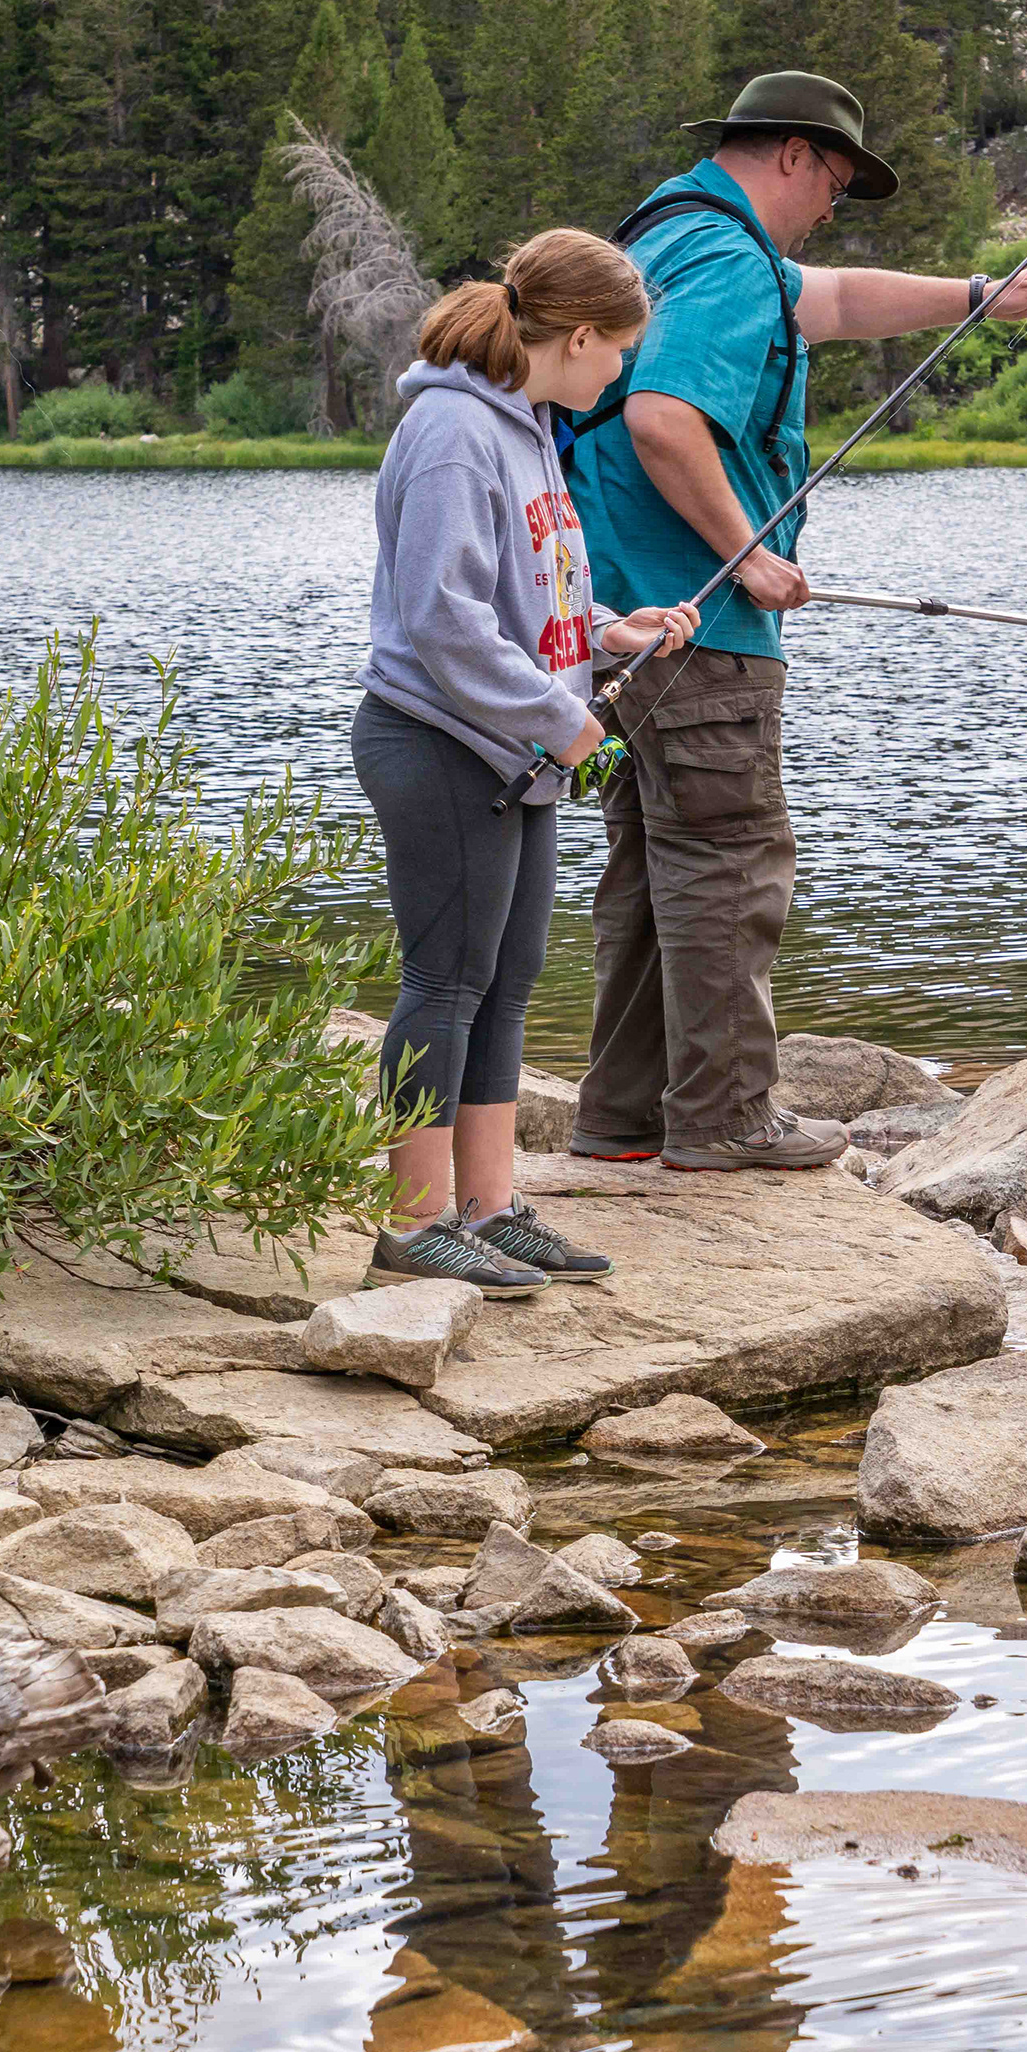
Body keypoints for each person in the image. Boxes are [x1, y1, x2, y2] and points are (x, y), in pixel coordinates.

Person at [561, 72, 1027, 1170]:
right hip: (695, 621)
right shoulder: (729, 258)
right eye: (835, 179)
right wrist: (747, 550)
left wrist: (979, 292)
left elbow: (829, 300)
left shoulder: (678, 233)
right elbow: (660, 415)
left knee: (656, 876)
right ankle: (728, 1119)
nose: (833, 205)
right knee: (734, 864)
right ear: (792, 154)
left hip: (619, 625)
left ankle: (622, 1117)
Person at [355, 229, 693, 1293]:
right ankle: (415, 1222)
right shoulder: (455, 430)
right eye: (620, 352)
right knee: (444, 981)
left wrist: (603, 633)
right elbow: (444, 619)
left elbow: (522, 591)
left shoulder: (530, 427)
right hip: (440, 745)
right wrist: (568, 718)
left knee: (504, 985)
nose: (621, 372)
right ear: (581, 333)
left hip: (515, 746)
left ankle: (490, 1207)